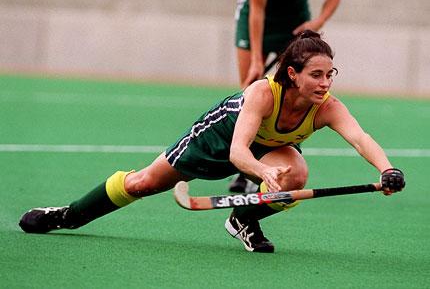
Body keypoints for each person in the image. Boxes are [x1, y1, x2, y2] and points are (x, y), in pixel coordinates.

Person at [19, 31, 405, 254]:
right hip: (222, 137)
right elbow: (238, 152)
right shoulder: (262, 94)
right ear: (293, 73)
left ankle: (243, 220)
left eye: (330, 74)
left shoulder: (327, 107)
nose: (325, 83)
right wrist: (261, 171)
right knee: (145, 183)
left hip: (265, 148)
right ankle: (68, 216)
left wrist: (386, 169)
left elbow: (360, 138)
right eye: (317, 75)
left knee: (296, 175)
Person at [231, 0, 341, 192]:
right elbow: (257, 9)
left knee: (297, 91)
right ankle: (245, 165)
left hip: (294, 21)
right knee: (249, 91)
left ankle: (283, 159)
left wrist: (320, 21)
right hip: (255, 18)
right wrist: (257, 59)